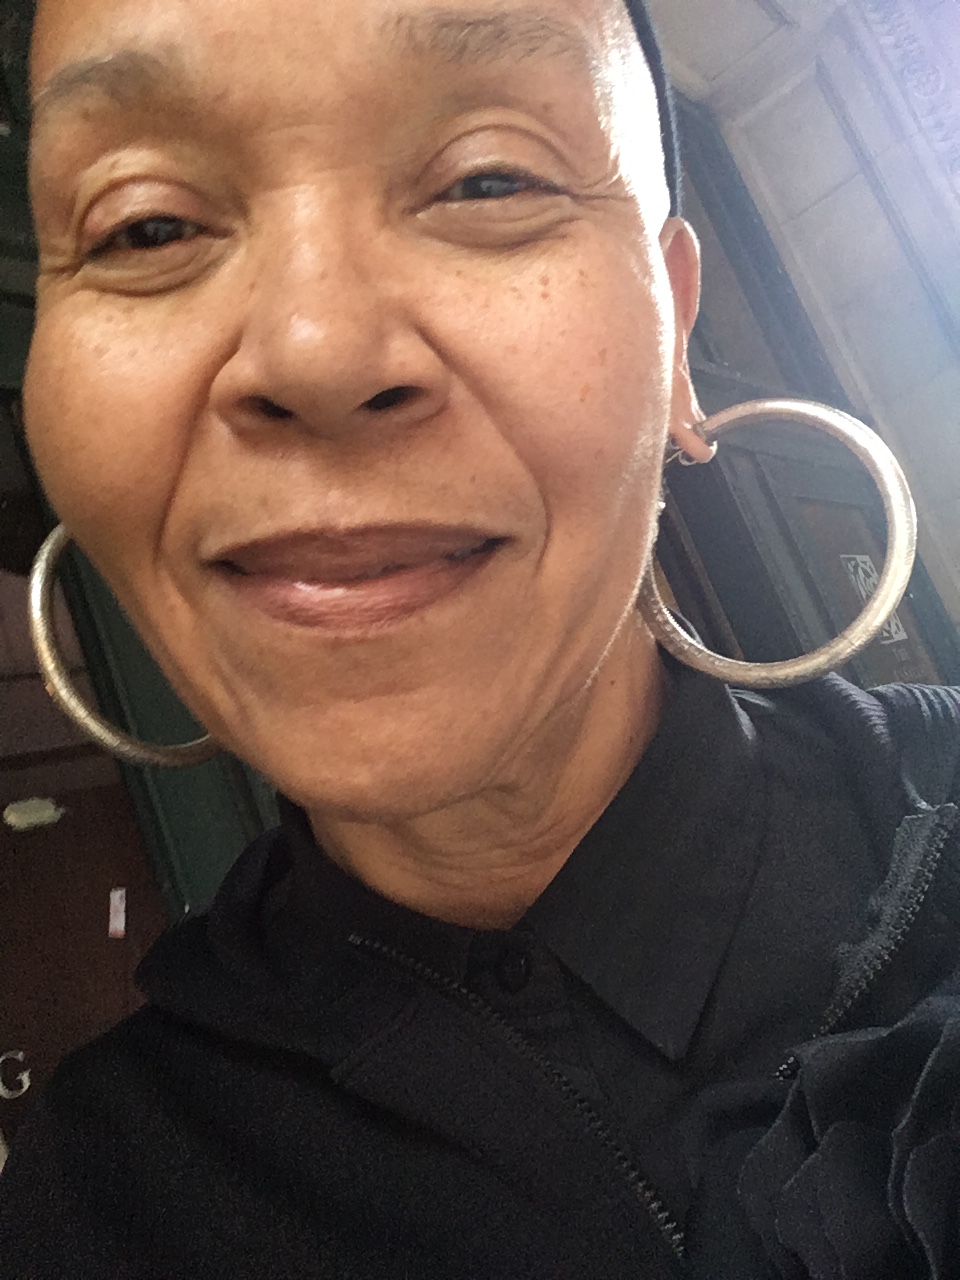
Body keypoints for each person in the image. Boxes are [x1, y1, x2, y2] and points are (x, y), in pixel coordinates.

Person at [2, 0, 960, 1276]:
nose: (317, 349)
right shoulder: (90, 1213)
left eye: (490, 178)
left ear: (675, 333)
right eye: (147, 226)